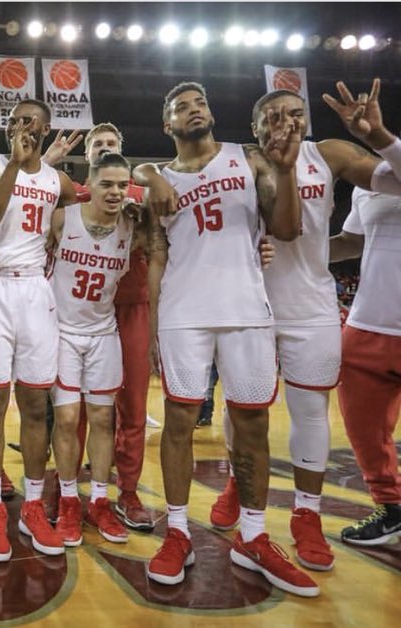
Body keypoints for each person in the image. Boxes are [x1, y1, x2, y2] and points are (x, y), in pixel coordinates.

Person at [136, 81, 319, 597]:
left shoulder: (253, 159)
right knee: (178, 422)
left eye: (200, 103)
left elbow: (285, 231)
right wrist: (152, 327)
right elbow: (156, 254)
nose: (194, 110)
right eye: (181, 107)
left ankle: (255, 537)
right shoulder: (161, 179)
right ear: (168, 125)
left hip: (245, 308)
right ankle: (176, 532)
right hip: (182, 312)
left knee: (253, 422)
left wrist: (284, 171)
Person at [211, 80, 401, 567]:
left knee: (311, 412)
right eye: (273, 115)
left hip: (310, 304)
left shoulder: (330, 153)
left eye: (295, 112)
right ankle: (240, 481)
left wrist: (379, 137)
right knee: (240, 411)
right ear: (254, 127)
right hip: (247, 302)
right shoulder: (235, 162)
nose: (286, 121)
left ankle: (306, 516)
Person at [0, 100, 78, 560]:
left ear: (47, 128)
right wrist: (16, 164)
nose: (20, 125)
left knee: (36, 404)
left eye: (29, 119)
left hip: (36, 290)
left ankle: (33, 505)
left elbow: (96, 209)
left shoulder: (58, 182)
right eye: (13, 119)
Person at [43, 122, 156, 531]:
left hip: (116, 319)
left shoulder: (135, 216)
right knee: (69, 418)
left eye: (121, 183)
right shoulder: (62, 212)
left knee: (120, 412)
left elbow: (172, 230)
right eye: (97, 146)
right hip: (66, 330)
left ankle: (115, 496)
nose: (115, 190)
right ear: (88, 166)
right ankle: (67, 491)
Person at [323, 78, 401, 546]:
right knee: (365, 433)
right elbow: (351, 242)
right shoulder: (370, 185)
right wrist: (289, 252)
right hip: (369, 325)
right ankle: (391, 509)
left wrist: (378, 136)